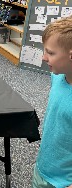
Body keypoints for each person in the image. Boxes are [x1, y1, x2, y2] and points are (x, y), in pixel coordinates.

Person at [32, 17, 72, 188]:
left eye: (51, 53)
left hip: (63, 182)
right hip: (43, 168)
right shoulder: (57, 76)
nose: (43, 57)